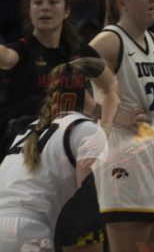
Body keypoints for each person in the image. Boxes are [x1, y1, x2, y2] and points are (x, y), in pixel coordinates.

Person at [89, 0, 154, 252]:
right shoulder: (109, 40)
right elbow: (64, 82)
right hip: (124, 153)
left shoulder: (153, 41)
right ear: (122, 3)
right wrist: (113, 114)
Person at [0, 57, 118, 252]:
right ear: (91, 93)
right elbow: (85, 206)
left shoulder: (30, 129)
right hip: (31, 232)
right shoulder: (86, 129)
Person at [0, 0, 103, 155]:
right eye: (37, 2)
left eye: (53, 1)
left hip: (67, 149)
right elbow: (6, 57)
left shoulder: (82, 53)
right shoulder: (21, 50)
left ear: (66, 11)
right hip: (24, 150)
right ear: (30, 11)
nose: (45, 7)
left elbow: (94, 100)